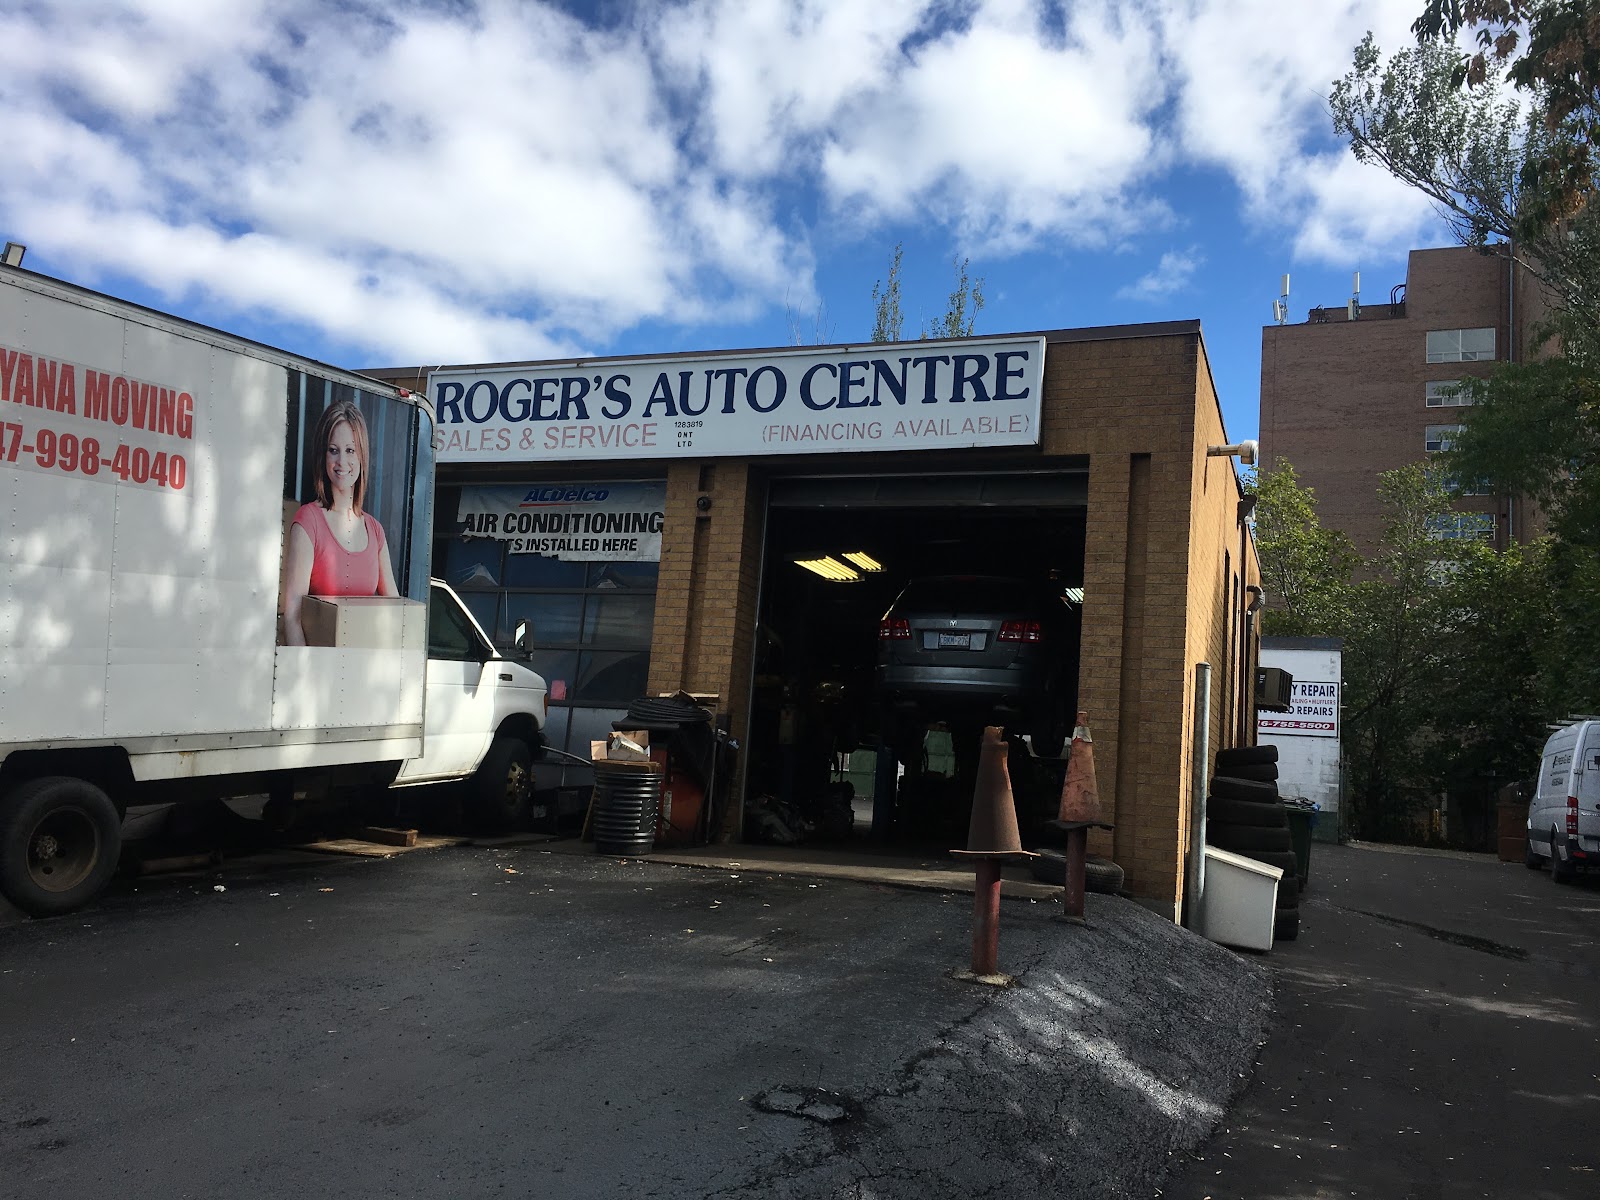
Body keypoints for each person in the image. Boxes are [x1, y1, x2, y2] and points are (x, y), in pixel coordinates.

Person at [281, 399, 398, 645]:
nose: (342, 461)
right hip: (320, 672)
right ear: (323, 456)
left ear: (362, 455)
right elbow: (292, 616)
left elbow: (395, 612)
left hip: (364, 671)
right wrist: (305, 677)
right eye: (333, 450)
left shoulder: (375, 531)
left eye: (350, 450)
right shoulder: (308, 521)